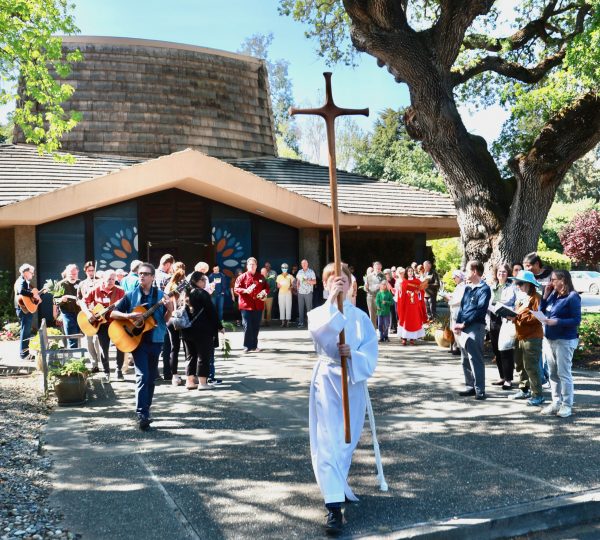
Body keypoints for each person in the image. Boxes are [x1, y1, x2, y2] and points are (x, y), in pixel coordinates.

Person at [307, 263, 378, 535]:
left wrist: (354, 355)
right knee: (327, 441)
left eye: (343, 281)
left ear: (352, 286)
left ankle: (337, 485)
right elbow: (323, 338)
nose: (339, 285)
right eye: (332, 281)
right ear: (325, 285)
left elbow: (370, 353)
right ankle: (334, 507)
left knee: (346, 439)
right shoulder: (317, 314)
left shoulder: (360, 317)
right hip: (327, 381)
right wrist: (333, 308)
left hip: (352, 381)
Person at [111, 263, 174, 430]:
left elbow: (166, 320)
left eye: (146, 274)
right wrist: (129, 315)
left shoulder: (161, 295)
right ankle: (142, 415)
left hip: (156, 340)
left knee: (151, 377)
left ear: (153, 277)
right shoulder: (130, 295)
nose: (142, 276)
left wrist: (170, 309)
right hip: (136, 342)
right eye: (140, 274)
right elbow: (112, 313)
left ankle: (146, 409)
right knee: (142, 375)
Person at [540, 270, 581, 418]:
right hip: (549, 338)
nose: (551, 283)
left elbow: (576, 320)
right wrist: (545, 296)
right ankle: (556, 401)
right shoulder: (553, 294)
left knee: (564, 373)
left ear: (563, 280)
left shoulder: (573, 296)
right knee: (552, 373)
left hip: (565, 340)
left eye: (553, 280)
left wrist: (557, 321)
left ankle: (567, 405)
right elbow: (542, 310)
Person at [454, 260, 492, 400]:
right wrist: (457, 323)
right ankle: (470, 386)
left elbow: (480, 311)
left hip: (475, 326)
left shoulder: (484, 289)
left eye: (467, 270)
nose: (465, 273)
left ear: (475, 271)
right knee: (464, 358)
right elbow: (463, 308)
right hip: (463, 327)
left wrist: (464, 324)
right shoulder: (468, 288)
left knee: (475, 358)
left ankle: (480, 389)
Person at [180, 271, 224, 390]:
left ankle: (190, 382)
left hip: (186, 329)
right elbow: (212, 312)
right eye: (203, 280)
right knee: (203, 356)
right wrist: (220, 326)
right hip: (202, 330)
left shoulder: (185, 292)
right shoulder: (202, 293)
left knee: (190, 356)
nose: (205, 282)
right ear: (196, 281)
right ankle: (203, 383)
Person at [507, 270, 545, 406]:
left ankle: (538, 395)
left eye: (520, 283)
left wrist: (517, 317)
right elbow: (519, 314)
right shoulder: (522, 297)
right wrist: (511, 315)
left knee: (531, 366)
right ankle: (524, 390)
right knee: (520, 365)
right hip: (520, 335)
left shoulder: (537, 298)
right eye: (517, 283)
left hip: (532, 337)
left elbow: (537, 317)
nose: (518, 285)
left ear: (529, 284)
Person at [79, 270, 125, 381]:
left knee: (120, 347)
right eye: (109, 279)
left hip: (116, 323)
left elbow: (126, 305)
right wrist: (89, 313)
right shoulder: (95, 290)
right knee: (104, 349)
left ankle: (119, 371)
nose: (111, 281)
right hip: (101, 324)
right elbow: (82, 302)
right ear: (103, 279)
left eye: (113, 279)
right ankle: (106, 372)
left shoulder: (120, 291)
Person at [488, 264, 517, 390]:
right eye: (499, 271)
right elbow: (489, 303)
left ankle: (509, 379)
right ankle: (502, 377)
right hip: (493, 320)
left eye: (504, 271)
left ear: (508, 273)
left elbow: (514, 303)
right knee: (496, 350)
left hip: (506, 320)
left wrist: (501, 305)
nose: (501, 274)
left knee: (505, 350)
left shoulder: (512, 287)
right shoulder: (492, 287)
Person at [234, 257, 269, 353]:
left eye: (254, 264)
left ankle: (254, 346)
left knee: (256, 326)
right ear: (247, 266)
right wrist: (245, 290)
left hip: (258, 305)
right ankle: (247, 346)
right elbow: (236, 289)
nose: (252, 266)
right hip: (246, 306)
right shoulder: (241, 277)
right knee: (247, 325)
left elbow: (267, 288)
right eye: (250, 264)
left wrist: (264, 293)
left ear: (256, 266)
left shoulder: (261, 277)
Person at [78, 261, 102, 372]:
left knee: (97, 339)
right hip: (87, 314)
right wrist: (83, 305)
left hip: (99, 313)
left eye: (93, 270)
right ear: (85, 271)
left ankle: (101, 360)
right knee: (89, 340)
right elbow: (78, 299)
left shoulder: (100, 281)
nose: (91, 272)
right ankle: (94, 364)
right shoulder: (82, 284)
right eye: (89, 270)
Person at [165, 262, 186, 386]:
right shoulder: (185, 285)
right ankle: (190, 376)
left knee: (174, 348)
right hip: (183, 318)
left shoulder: (169, 285)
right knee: (188, 348)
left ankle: (174, 376)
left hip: (170, 318)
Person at [13, 263, 39, 360]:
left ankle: (25, 353)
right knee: (25, 331)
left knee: (26, 331)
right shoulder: (21, 280)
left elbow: (27, 297)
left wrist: (36, 296)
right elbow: (21, 291)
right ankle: (24, 354)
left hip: (25, 309)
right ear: (26, 273)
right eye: (31, 272)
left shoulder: (25, 281)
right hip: (23, 310)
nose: (33, 275)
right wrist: (33, 295)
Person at [397, 266, 427, 345]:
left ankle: (412, 338)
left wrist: (418, 292)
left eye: (411, 271)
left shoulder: (417, 281)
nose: (410, 273)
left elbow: (422, 291)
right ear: (406, 273)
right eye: (409, 271)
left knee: (414, 319)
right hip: (406, 304)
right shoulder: (404, 281)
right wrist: (403, 292)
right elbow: (401, 294)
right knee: (406, 319)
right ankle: (404, 337)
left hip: (414, 304)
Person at [57, 264, 81, 348]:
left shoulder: (81, 283)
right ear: (66, 274)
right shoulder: (61, 284)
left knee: (78, 331)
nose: (72, 276)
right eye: (70, 274)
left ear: (77, 273)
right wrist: (61, 300)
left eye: (74, 274)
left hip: (79, 312)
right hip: (66, 311)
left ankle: (75, 350)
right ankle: (73, 352)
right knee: (71, 330)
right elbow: (55, 299)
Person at [445, 269, 466, 356]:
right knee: (454, 330)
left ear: (459, 277)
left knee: (457, 330)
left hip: (458, 310)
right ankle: (457, 347)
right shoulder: (458, 286)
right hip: (454, 310)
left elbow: (460, 299)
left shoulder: (463, 286)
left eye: (455, 277)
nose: (453, 279)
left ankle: (460, 348)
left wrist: (450, 301)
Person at [296, 259, 317, 328]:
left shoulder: (311, 272)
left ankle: (310, 323)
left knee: (309, 308)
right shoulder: (299, 271)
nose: (304, 265)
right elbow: (298, 281)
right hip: (300, 292)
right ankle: (301, 323)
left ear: (307, 264)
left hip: (308, 292)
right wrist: (297, 288)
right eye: (302, 264)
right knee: (300, 308)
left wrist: (307, 280)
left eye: (305, 263)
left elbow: (314, 282)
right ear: (301, 265)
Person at [365, 261, 385, 328]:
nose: (378, 270)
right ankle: (373, 332)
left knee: (381, 315)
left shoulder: (383, 276)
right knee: (372, 315)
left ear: (381, 268)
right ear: (374, 268)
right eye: (377, 268)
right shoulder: (368, 276)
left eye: (379, 268)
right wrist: (366, 288)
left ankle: (382, 333)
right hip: (371, 297)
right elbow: (366, 288)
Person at [276, 263, 294, 327]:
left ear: (287, 268)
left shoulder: (290, 276)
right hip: (281, 294)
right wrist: (278, 285)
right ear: (281, 268)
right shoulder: (279, 276)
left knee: (288, 307)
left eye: (285, 267)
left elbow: (293, 284)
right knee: (281, 307)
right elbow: (277, 285)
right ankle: (283, 322)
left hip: (288, 293)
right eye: (283, 268)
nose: (284, 269)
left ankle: (288, 322)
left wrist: (291, 287)